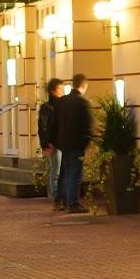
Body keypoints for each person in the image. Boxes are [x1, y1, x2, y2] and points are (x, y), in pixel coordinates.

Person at [55, 73, 92, 213]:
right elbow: (87, 124)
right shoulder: (82, 102)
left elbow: (55, 122)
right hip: (77, 143)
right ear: (83, 85)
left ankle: (64, 201)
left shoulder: (62, 101)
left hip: (64, 143)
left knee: (66, 172)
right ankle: (73, 202)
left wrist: (57, 140)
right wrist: (87, 141)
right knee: (75, 173)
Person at [37, 78, 65, 209]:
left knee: (59, 171)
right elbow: (43, 127)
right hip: (53, 144)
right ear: (54, 90)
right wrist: (46, 143)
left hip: (61, 142)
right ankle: (56, 198)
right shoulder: (46, 108)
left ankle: (60, 197)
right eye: (61, 88)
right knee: (56, 171)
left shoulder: (62, 105)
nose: (63, 91)